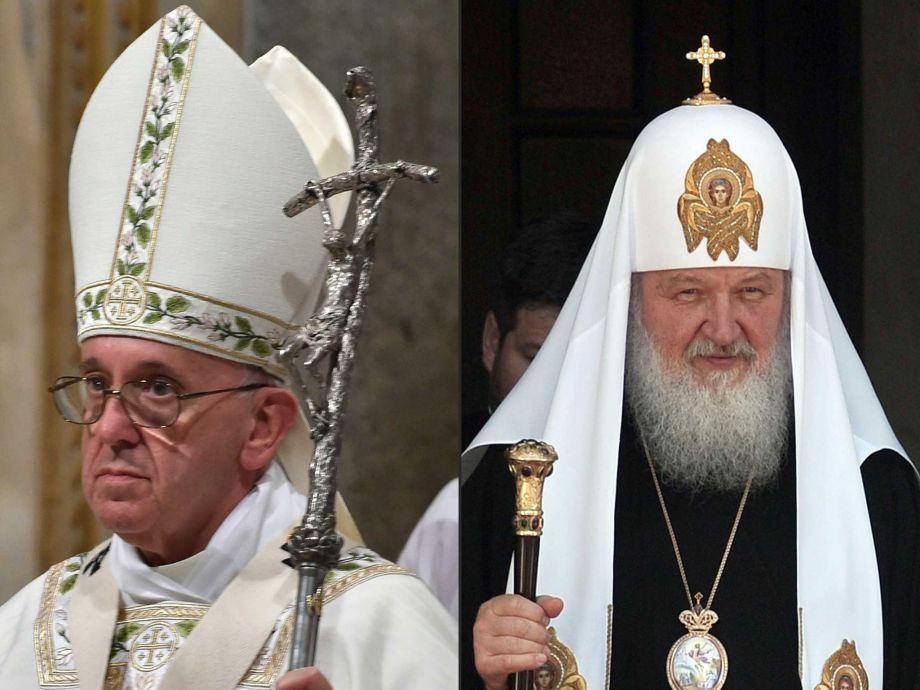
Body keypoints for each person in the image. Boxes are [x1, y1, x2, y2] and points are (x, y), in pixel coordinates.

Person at [0, 7, 456, 689]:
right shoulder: (30, 625)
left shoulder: (369, 626)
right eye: (97, 385)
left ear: (264, 425)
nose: (112, 429)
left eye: (158, 389)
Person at [462, 57, 919, 690]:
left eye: (754, 291)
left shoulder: (874, 493)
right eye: (688, 293)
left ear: (792, 297)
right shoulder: (521, 482)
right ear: (628, 300)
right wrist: (480, 664)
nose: (725, 328)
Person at [398, 212, 596, 622]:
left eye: (581, 366)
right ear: (492, 342)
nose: (555, 389)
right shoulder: (454, 506)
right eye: (536, 359)